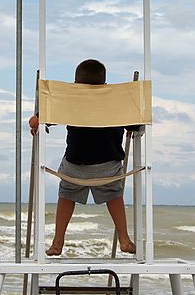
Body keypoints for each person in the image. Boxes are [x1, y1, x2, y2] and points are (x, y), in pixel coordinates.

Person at [29, 59, 137, 256]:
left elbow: (41, 118)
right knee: (114, 195)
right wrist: (132, 129)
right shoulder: (116, 102)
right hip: (108, 168)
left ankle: (57, 242)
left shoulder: (71, 100)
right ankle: (124, 239)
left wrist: (35, 120)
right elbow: (136, 126)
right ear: (104, 84)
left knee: (67, 195)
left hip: (74, 166)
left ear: (76, 84)